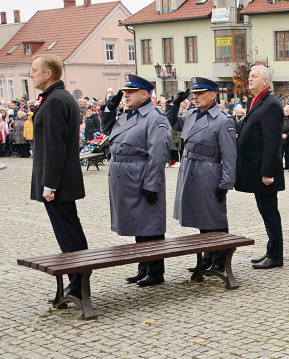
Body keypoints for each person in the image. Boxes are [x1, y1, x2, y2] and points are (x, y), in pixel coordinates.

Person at [99, 75, 172, 286]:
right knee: (139, 226)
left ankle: (156, 271)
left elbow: (158, 154)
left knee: (151, 227)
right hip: (126, 177)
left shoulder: (155, 117)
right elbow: (108, 132)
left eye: (131, 92)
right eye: (125, 92)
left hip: (141, 175)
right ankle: (143, 267)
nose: (126, 95)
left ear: (145, 94)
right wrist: (109, 110)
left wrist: (151, 183)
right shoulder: (127, 115)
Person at [29, 54, 89, 298]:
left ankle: (78, 284)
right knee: (69, 230)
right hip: (61, 179)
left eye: (34, 70)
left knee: (68, 233)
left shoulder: (55, 100)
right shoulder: (59, 97)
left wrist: (49, 184)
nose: (31, 74)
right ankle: (77, 282)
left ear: (48, 74)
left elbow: (56, 146)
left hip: (59, 182)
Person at [166, 77, 237, 273]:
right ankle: (207, 255)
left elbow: (230, 155)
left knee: (214, 217)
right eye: (194, 94)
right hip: (190, 169)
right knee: (200, 216)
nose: (195, 97)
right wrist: (174, 104)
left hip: (209, 171)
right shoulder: (191, 115)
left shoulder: (223, 120)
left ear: (213, 95)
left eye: (200, 94)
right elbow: (170, 123)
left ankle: (220, 258)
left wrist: (226, 183)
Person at [236, 65, 286, 269]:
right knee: (265, 212)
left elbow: (272, 142)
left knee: (270, 213)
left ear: (266, 81)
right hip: (255, 168)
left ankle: (276, 255)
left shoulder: (271, 104)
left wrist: (267, 172)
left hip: (265, 171)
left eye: (254, 76)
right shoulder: (256, 101)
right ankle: (271, 251)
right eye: (249, 76)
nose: (249, 79)